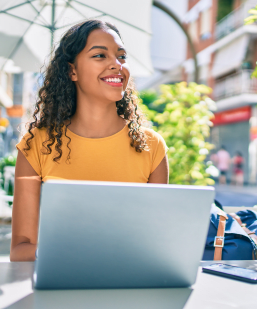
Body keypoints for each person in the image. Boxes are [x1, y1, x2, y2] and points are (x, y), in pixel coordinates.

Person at [10, 20, 169, 262]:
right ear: (72, 71)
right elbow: (21, 250)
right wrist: (79, 250)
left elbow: (158, 243)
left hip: (127, 285)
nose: (116, 65)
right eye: (99, 55)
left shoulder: (151, 146)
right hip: (59, 287)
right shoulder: (36, 145)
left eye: (121, 57)